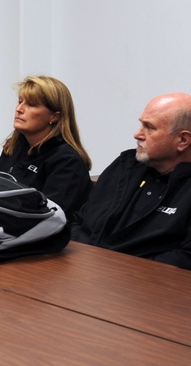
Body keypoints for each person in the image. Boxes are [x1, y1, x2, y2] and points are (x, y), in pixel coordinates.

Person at [72, 92, 191, 269]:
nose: (137, 134)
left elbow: (185, 258)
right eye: (140, 124)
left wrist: (118, 273)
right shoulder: (124, 166)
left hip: (143, 286)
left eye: (149, 127)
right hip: (81, 268)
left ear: (182, 140)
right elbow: (80, 221)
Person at [0, 75, 92, 220]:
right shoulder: (13, 147)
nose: (19, 109)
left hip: (47, 236)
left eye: (31, 105)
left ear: (54, 116)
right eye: (20, 102)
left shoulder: (67, 161)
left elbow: (51, 216)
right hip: (6, 226)